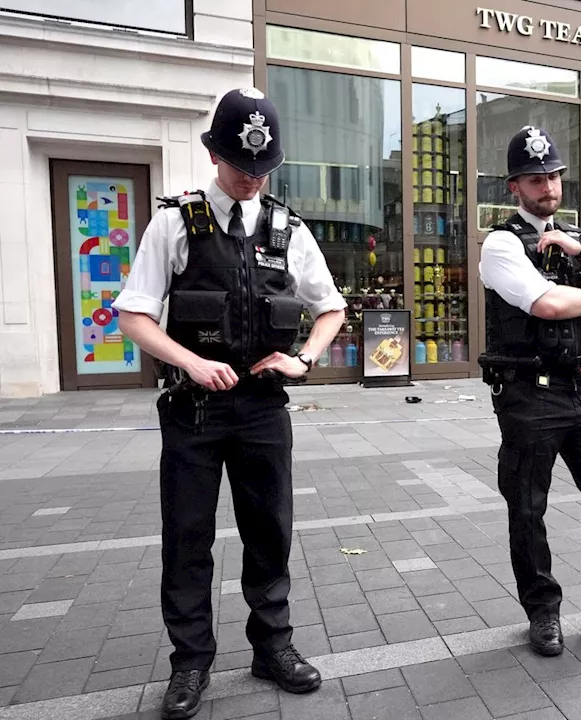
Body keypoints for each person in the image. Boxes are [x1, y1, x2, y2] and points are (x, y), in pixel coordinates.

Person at [115, 88, 345, 719]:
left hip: (265, 410)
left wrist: (302, 360)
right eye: (242, 166)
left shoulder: (289, 229)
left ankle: (273, 647)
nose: (252, 178)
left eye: (263, 168)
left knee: (269, 531)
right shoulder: (174, 222)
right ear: (214, 153)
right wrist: (190, 362)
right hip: (193, 409)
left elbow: (331, 308)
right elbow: (133, 314)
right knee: (187, 537)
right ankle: (190, 662)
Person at [477, 126, 581, 657]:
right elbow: (545, 304)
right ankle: (542, 612)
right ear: (514, 187)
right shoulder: (501, 243)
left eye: (553, 176)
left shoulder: (579, 237)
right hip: (529, 395)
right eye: (535, 178)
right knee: (528, 506)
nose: (547, 186)